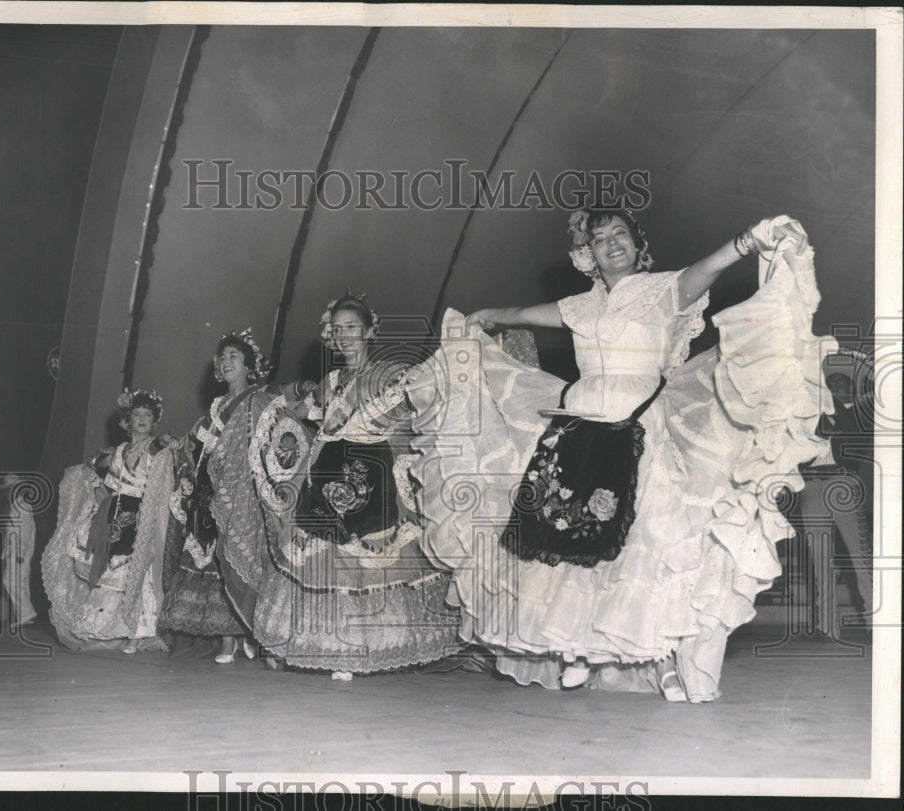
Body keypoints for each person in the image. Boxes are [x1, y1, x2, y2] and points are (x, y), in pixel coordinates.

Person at [408, 210, 835, 701]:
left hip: (641, 430)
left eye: (621, 234)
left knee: (646, 542)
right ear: (587, 253)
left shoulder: (664, 289)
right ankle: (577, 649)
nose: (612, 243)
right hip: (577, 429)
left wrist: (754, 237)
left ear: (637, 244)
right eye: (600, 238)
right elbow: (524, 314)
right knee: (568, 538)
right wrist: (485, 316)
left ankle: (663, 664)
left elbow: (711, 265)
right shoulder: (577, 307)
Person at [249, 293, 462, 679]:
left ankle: (357, 648)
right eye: (337, 328)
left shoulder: (392, 375)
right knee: (325, 556)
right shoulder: (330, 382)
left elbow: (418, 418)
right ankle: (324, 645)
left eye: (351, 327)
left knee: (358, 557)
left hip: (368, 472)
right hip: (327, 470)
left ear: (369, 331)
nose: (344, 335)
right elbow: (304, 419)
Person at [158, 330, 277, 663]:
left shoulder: (257, 401)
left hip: (242, 492)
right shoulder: (215, 408)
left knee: (237, 560)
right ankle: (229, 637)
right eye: (222, 357)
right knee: (212, 561)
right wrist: (177, 449)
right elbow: (196, 450)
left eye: (233, 357)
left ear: (249, 366)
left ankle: (246, 632)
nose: (226, 363)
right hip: (210, 492)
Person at [41, 388, 176, 652]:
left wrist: (168, 440)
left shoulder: (156, 448)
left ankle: (138, 633)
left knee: (138, 571)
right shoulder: (120, 451)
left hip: (140, 515)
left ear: (154, 421)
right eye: (136, 414)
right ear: (127, 420)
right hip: (112, 515)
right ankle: (107, 628)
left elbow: (161, 446)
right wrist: (94, 469)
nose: (141, 419)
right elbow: (95, 466)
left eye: (147, 415)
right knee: (109, 571)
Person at [793, 366, 875, 633]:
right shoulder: (811, 415)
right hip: (813, 483)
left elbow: (850, 429)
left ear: (850, 391)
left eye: (840, 385)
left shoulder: (859, 413)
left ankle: (876, 622)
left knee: (860, 557)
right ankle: (827, 626)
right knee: (820, 559)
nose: (833, 388)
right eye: (830, 385)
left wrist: (832, 401)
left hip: (844, 482)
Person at [0, 473, 37, 631]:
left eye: (11, 489)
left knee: (10, 581)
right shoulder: (17, 506)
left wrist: (20, 552)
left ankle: (27, 613)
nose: (8, 493)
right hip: (15, 551)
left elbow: (25, 531)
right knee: (20, 582)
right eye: (7, 490)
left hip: (19, 552)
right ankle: (24, 616)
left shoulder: (22, 507)